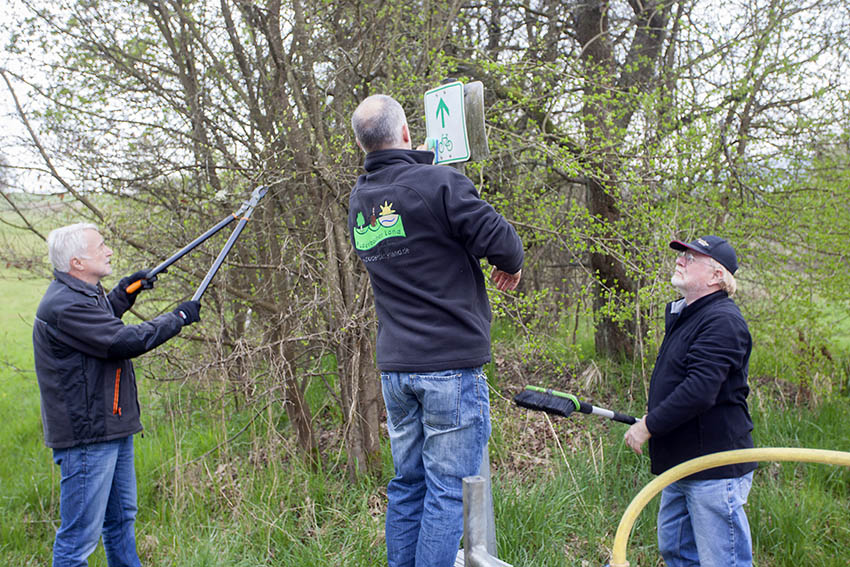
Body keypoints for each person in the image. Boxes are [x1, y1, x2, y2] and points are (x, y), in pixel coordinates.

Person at [348, 94, 524, 567]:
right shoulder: (439, 182)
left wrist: (424, 165)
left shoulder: (359, 203)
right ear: (405, 133)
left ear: (363, 145)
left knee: (408, 486)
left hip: (397, 371)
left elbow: (407, 205)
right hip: (447, 367)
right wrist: (510, 266)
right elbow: (504, 242)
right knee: (447, 492)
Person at [33, 223, 201, 567]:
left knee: (121, 520)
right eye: (101, 247)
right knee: (79, 539)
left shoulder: (82, 292)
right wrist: (178, 318)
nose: (109, 251)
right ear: (77, 262)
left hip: (110, 426)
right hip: (88, 435)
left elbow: (100, 321)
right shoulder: (65, 305)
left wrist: (124, 294)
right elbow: (122, 341)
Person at [624, 235, 756, 567]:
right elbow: (682, 383)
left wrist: (649, 425)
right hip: (682, 461)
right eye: (682, 255)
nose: (680, 260)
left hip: (714, 465)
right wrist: (659, 413)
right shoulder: (688, 315)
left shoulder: (722, 320)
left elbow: (700, 389)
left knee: (723, 561)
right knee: (677, 552)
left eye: (691, 258)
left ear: (716, 276)